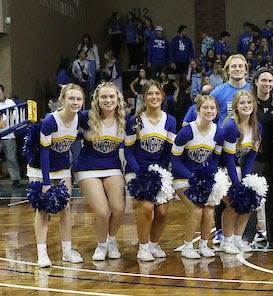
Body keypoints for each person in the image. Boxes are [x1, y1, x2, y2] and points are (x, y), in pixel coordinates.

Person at [29, 84, 85, 267]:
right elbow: (44, 153)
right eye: (71, 98)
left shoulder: (80, 119)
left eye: (78, 99)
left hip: (61, 167)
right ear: (62, 100)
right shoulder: (50, 121)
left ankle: (67, 252)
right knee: (42, 209)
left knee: (65, 207)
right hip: (40, 167)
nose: (75, 102)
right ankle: (42, 253)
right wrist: (46, 182)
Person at [124, 81, 177, 261]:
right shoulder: (134, 121)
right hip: (136, 170)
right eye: (150, 94)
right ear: (144, 97)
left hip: (159, 170)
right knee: (147, 207)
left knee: (162, 211)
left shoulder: (170, 120)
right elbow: (129, 152)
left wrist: (159, 172)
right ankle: (143, 247)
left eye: (157, 94)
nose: (154, 97)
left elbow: (168, 151)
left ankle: (154, 244)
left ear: (162, 96)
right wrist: (141, 174)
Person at [75, 82, 127, 261]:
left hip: (112, 167)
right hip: (87, 168)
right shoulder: (85, 117)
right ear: (97, 100)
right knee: (103, 211)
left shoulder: (125, 119)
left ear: (118, 99)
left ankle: (112, 241)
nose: (108, 100)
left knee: (119, 208)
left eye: (112, 96)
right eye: (104, 97)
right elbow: (64, 123)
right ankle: (101, 244)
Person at [172, 95, 223, 259]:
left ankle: (203, 245)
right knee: (196, 210)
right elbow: (175, 160)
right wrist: (191, 176)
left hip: (203, 179)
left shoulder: (218, 132)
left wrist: (210, 175)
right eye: (205, 108)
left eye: (212, 108)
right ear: (197, 110)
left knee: (209, 211)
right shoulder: (186, 131)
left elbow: (215, 158)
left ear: (216, 111)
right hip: (182, 178)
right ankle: (187, 246)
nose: (209, 111)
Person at [219, 91, 262, 254]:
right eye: (242, 103)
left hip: (238, 169)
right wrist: (237, 185)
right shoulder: (231, 126)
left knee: (248, 202)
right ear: (236, 106)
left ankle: (238, 239)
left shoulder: (257, 127)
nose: (246, 106)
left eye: (249, 103)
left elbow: (251, 156)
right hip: (223, 169)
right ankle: (226, 240)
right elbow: (228, 158)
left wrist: (246, 180)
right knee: (233, 204)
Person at [0, 84, 20, 188]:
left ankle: (15, 179)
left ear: (3, 92)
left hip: (8, 134)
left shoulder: (10, 103)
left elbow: (16, 116)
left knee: (11, 158)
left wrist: (5, 119)